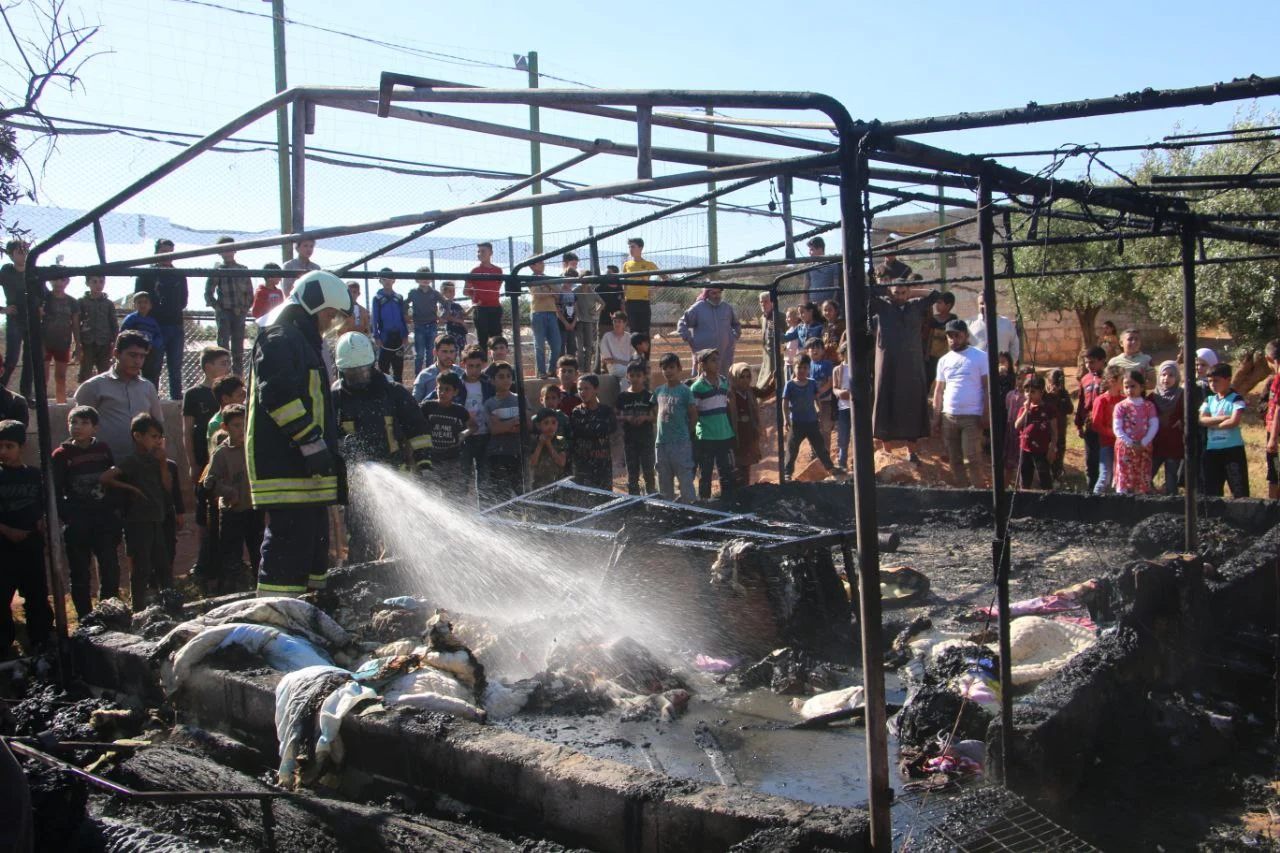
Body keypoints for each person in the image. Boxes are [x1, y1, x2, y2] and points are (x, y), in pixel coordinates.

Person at [248, 270, 350, 596]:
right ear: (312, 303)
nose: (329, 322)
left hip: (305, 469)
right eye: (329, 314)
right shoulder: (280, 337)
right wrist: (310, 441)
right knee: (288, 545)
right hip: (286, 467)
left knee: (313, 543)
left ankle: (308, 610)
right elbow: (277, 395)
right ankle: (277, 618)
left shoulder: (299, 341)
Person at [332, 331, 431, 561]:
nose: (358, 377)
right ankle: (362, 583)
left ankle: (400, 580)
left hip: (395, 472)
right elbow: (328, 436)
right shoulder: (335, 398)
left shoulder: (392, 391)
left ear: (372, 364)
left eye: (362, 371)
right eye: (352, 373)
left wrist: (424, 462)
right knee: (360, 538)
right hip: (356, 483)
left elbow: (417, 428)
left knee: (401, 538)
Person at [52, 406, 121, 618]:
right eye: (74, 423)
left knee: (110, 568)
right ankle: (85, 617)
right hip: (78, 522)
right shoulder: (61, 455)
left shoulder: (102, 450)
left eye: (84, 423)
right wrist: (69, 515)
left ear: (95, 428)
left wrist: (113, 512)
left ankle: (107, 613)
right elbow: (55, 490)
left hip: (103, 519)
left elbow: (112, 483)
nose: (78, 427)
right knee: (80, 572)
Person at [101, 413, 173, 607]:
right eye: (152, 436)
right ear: (137, 436)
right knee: (141, 566)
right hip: (138, 520)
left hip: (156, 517)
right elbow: (106, 477)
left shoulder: (157, 460)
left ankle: (170, 602)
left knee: (163, 564)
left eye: (159, 437)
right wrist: (131, 488)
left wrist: (163, 463)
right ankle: (138, 606)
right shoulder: (133, 460)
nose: (157, 441)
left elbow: (167, 487)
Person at [871, 281, 939, 462]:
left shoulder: (915, 306)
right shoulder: (883, 306)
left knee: (912, 403)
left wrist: (912, 292)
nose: (899, 296)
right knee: (886, 400)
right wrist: (886, 289)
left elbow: (935, 295)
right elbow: (866, 293)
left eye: (903, 293)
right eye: (897, 293)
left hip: (911, 363)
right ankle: (887, 451)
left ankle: (912, 451)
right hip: (888, 364)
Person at [0, 418, 51, 655]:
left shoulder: (34, 475)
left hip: (31, 545)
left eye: (9, 446)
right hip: (4, 548)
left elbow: (44, 506)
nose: (3, 452)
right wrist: (7, 530)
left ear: (22, 447)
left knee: (36, 595)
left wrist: (42, 522)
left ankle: (41, 639)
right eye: (0, 446)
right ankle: (5, 644)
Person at [73, 330, 164, 461]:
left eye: (142, 356)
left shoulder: (148, 387)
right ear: (116, 353)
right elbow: (78, 427)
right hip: (104, 463)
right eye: (132, 355)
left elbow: (158, 426)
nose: (138, 361)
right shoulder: (94, 387)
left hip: (142, 465)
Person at [182, 346, 231, 583]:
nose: (227, 367)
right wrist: (192, 463)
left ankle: (228, 559)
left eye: (228, 362)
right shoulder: (194, 395)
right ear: (207, 366)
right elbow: (187, 432)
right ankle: (204, 561)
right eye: (222, 363)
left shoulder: (230, 390)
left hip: (230, 465)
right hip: (205, 461)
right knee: (204, 513)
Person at [201, 404, 261, 593]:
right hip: (232, 512)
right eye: (236, 425)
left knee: (258, 552)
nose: (241, 429)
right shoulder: (221, 453)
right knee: (231, 557)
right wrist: (228, 492)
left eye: (244, 424)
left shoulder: (253, 447)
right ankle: (230, 592)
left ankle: (261, 589)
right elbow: (209, 482)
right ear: (225, 428)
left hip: (254, 509)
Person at [931, 319, 989, 489]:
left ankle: (980, 493)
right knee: (954, 459)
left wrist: (986, 413)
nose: (953, 340)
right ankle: (963, 492)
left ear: (966, 336)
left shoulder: (980, 356)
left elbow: (987, 388)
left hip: (972, 416)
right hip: (949, 416)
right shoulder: (944, 361)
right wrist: (936, 417)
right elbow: (939, 391)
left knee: (972, 457)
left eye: (957, 336)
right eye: (950, 336)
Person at [134, 237, 189, 399]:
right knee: (152, 366)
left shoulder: (179, 275)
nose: (167, 256)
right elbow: (138, 298)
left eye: (171, 252)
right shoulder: (146, 274)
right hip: (153, 326)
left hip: (175, 325)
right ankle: (150, 399)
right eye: (163, 252)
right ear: (156, 252)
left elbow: (184, 301)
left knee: (175, 367)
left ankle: (176, 400)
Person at [783, 354, 840, 480]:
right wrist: (786, 419)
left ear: (809, 369)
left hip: (811, 421)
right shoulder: (790, 385)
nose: (802, 370)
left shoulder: (812, 383)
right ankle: (787, 473)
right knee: (792, 448)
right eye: (799, 368)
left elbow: (816, 399)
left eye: (805, 368)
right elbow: (785, 403)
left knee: (820, 446)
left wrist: (819, 412)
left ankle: (830, 468)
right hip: (796, 422)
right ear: (794, 368)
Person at [691, 348, 737, 499]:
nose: (717, 363)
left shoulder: (724, 382)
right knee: (706, 472)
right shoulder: (697, 387)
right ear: (703, 365)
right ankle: (704, 502)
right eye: (712, 360)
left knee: (726, 471)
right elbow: (694, 412)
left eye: (718, 360)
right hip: (707, 436)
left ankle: (727, 501)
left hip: (724, 434)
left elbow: (729, 405)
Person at [204, 236, 253, 375]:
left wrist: (243, 309)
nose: (227, 253)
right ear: (219, 253)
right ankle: (222, 376)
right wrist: (218, 308)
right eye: (224, 250)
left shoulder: (243, 269)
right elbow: (208, 293)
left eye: (230, 249)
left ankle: (238, 377)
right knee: (223, 347)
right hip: (224, 312)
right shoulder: (218, 270)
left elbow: (250, 293)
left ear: (235, 250)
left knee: (238, 348)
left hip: (240, 313)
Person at [1199, 362, 1249, 498]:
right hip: (1212, 450)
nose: (1212, 384)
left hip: (1233, 450)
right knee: (1211, 490)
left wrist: (1213, 423)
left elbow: (1234, 421)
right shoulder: (1209, 400)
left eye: (1216, 380)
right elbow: (1202, 420)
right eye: (1210, 381)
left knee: (1239, 489)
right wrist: (1223, 418)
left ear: (1228, 380)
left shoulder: (1236, 398)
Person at [654, 352, 697, 502]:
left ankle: (690, 507)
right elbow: (655, 413)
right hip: (661, 443)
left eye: (671, 367)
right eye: (664, 368)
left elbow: (693, 415)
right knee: (664, 479)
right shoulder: (659, 391)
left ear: (679, 368)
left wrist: (686, 433)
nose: (668, 371)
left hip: (680, 442)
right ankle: (667, 511)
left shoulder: (685, 391)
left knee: (684, 476)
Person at [421, 372, 472, 491]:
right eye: (440, 389)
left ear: (455, 392)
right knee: (431, 492)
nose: (442, 392)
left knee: (451, 493)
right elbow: (416, 422)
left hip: (452, 459)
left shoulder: (459, 410)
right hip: (431, 457)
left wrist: (464, 434)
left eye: (447, 389)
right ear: (436, 389)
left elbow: (473, 426)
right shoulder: (427, 407)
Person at [1, 239, 38, 400]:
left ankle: (26, 396)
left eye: (26, 252)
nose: (24, 256)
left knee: (30, 360)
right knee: (11, 360)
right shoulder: (6, 273)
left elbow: (43, 293)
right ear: (11, 255)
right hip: (15, 321)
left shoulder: (33, 272)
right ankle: (1, 390)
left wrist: (41, 307)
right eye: (19, 252)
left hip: (31, 320)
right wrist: (3, 309)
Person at [1111, 369, 1159, 495]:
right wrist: (1131, 443)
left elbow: (1154, 425)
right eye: (1126, 387)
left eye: (1133, 386)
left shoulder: (1149, 406)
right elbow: (1117, 428)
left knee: (1142, 476)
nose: (1129, 390)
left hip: (1144, 448)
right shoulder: (1120, 406)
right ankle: (1122, 504)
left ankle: (1141, 506)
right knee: (1124, 476)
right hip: (1125, 448)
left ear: (1142, 387)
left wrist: (1143, 443)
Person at [483, 362, 524, 505]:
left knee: (521, 490)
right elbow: (494, 430)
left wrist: (503, 424)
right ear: (493, 380)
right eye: (501, 376)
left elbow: (527, 425)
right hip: (497, 454)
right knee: (501, 493)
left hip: (518, 452)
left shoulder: (520, 399)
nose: (506, 379)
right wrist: (514, 422)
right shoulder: (489, 403)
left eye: (508, 376)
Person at [570, 373, 615, 490]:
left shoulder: (606, 411)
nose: (582, 392)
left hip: (602, 465)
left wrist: (592, 430)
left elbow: (608, 430)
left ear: (596, 389)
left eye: (586, 388)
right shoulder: (577, 412)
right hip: (583, 466)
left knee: (605, 499)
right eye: (579, 389)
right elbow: (579, 433)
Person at [617, 360, 656, 495]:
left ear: (644, 377)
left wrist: (644, 418)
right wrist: (626, 418)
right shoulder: (622, 397)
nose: (635, 378)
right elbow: (615, 416)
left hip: (646, 439)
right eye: (632, 375)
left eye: (638, 375)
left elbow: (656, 418)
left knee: (648, 471)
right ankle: (634, 502)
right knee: (632, 473)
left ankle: (652, 498)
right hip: (630, 439)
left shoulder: (649, 396)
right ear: (627, 377)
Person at [677, 286, 741, 368]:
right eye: (714, 293)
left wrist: (733, 338)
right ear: (707, 294)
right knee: (703, 377)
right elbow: (682, 323)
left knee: (723, 377)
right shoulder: (698, 308)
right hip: (703, 355)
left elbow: (736, 324)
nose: (717, 295)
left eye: (719, 293)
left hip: (725, 354)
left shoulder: (726, 308)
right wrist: (690, 339)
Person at [1013, 374, 1057, 491]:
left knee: (1044, 477)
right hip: (1025, 448)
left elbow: (1054, 431)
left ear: (1041, 392)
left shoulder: (1048, 409)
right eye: (1026, 391)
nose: (1028, 394)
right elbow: (1017, 426)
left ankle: (1047, 500)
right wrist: (1025, 411)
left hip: (1042, 450)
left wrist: (1052, 447)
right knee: (1025, 477)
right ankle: (1024, 497)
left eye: (1032, 391)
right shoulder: (1024, 409)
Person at [41, 269, 79, 404]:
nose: (58, 283)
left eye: (62, 279)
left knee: (61, 376)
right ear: (50, 281)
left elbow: (75, 325)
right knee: (43, 376)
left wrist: (78, 345)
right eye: (55, 279)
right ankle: (42, 403)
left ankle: (61, 404)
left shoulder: (72, 302)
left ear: (67, 281)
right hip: (44, 342)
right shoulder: (45, 298)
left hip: (63, 343)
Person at [1075, 346, 1108, 492]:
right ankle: (1091, 492)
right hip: (1090, 426)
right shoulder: (1085, 379)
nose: (1089, 365)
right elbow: (1082, 403)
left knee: (1104, 459)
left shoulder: (1108, 379)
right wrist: (1078, 425)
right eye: (1087, 362)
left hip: (1105, 427)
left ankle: (1104, 491)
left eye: (1092, 362)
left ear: (1102, 361)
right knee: (1090, 460)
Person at [1150, 361, 1185, 496]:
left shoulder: (1182, 396)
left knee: (1171, 481)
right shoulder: (1153, 397)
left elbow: (1190, 415)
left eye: (1171, 375)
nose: (1166, 378)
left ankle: (1172, 510)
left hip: (1173, 446)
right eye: (1163, 374)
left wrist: (1183, 421)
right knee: (1146, 477)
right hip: (1155, 444)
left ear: (1177, 377)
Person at [1089, 365, 1126, 495]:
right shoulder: (1102, 400)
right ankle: (1095, 502)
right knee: (1105, 477)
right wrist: (1114, 434)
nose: (1124, 382)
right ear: (1112, 381)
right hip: (1107, 444)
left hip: (1122, 446)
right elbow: (1096, 424)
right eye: (1122, 379)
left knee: (1122, 477)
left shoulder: (1124, 400)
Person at [371, 270, 410, 383]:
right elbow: (375, 319)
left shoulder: (399, 298)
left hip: (398, 337)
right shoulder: (377, 298)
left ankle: (399, 395)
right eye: (384, 279)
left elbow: (402, 318)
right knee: (384, 369)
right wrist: (376, 336)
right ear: (380, 281)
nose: (387, 281)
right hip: (385, 338)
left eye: (390, 278)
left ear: (394, 280)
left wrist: (405, 334)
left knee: (398, 368)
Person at [77, 274, 118, 382]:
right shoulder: (82, 301)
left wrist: (115, 342)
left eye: (101, 281)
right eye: (94, 282)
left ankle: (104, 397)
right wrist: (78, 343)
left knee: (105, 372)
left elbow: (114, 324)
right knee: (85, 371)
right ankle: (83, 397)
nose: (98, 285)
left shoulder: (108, 303)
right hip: (87, 341)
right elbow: (76, 323)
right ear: (88, 283)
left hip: (104, 342)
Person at [465, 242, 504, 351]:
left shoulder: (498, 270)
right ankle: (482, 365)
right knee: (482, 339)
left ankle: (497, 364)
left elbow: (497, 287)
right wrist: (477, 297)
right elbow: (465, 291)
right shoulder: (474, 271)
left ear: (491, 253)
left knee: (497, 339)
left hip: (495, 308)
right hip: (480, 309)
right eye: (478, 251)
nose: (479, 254)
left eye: (483, 251)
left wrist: (488, 294)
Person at [121, 291, 165, 388]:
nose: (143, 305)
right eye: (139, 302)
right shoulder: (131, 319)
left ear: (150, 305)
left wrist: (152, 345)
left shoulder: (152, 321)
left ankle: (151, 393)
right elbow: (123, 334)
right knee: (133, 372)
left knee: (151, 374)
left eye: (146, 302)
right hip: (134, 352)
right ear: (134, 305)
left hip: (149, 352)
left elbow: (158, 336)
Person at [622, 237, 664, 337]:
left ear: (640, 248)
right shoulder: (626, 265)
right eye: (629, 247)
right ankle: (634, 352)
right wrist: (623, 300)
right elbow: (624, 284)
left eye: (633, 247)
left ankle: (645, 353)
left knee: (644, 331)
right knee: (633, 331)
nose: (630, 249)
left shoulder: (649, 264)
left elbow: (665, 278)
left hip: (643, 302)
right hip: (630, 302)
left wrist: (654, 288)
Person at [729, 362, 762, 486]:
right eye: (742, 377)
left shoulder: (750, 392)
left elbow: (764, 392)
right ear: (735, 377)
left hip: (748, 433)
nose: (745, 380)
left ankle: (745, 489)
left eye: (748, 377)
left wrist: (774, 381)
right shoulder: (730, 394)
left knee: (746, 465)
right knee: (736, 465)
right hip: (736, 433)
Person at [407, 267, 443, 376]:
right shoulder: (413, 293)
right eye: (423, 277)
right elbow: (404, 304)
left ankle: (430, 376)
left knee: (431, 353)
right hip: (419, 326)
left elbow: (445, 304)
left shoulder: (435, 293)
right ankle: (418, 377)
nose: (426, 280)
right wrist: (406, 316)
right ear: (417, 280)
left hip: (432, 325)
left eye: (428, 277)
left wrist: (442, 317)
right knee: (420, 354)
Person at [529, 259, 562, 378]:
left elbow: (559, 293)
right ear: (532, 266)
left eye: (543, 262)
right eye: (540, 262)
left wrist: (549, 286)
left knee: (557, 345)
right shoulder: (531, 278)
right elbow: (538, 294)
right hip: (538, 313)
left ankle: (552, 370)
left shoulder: (549, 277)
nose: (543, 265)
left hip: (552, 313)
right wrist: (551, 291)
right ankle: (541, 372)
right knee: (539, 344)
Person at [967, 292, 1020, 364]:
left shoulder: (1006, 323)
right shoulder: (969, 324)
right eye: (981, 303)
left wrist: (1008, 365)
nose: (984, 306)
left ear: (995, 303)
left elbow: (1014, 346)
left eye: (987, 303)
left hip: (1001, 370)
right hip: (977, 370)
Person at [412, 334, 464, 403]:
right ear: (435, 352)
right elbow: (414, 403)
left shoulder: (462, 374)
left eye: (451, 351)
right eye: (444, 351)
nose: (448, 356)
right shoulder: (424, 376)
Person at [924, 292, 958, 388]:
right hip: (933, 356)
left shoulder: (953, 319)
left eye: (939, 303)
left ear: (948, 306)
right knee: (931, 377)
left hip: (947, 355)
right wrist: (927, 355)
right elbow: (929, 337)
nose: (937, 306)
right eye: (936, 303)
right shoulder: (933, 320)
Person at [1045, 368, 1073, 483]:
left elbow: (1070, 409)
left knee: (1059, 453)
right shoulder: (1046, 396)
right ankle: (1048, 476)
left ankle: (1057, 474)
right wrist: (1051, 395)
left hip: (1060, 430)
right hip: (1048, 431)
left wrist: (1060, 396)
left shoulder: (1064, 394)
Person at [529, 407, 568, 488]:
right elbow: (532, 463)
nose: (550, 426)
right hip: (539, 484)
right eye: (546, 423)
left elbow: (561, 463)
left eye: (553, 423)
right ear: (538, 425)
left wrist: (548, 444)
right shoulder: (534, 441)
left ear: (557, 424)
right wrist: (540, 445)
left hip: (558, 483)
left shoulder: (560, 440)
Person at [573, 269, 603, 372]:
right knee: (579, 348)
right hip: (578, 322)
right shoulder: (576, 291)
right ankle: (580, 369)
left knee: (589, 347)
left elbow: (602, 304)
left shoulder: (592, 292)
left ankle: (587, 369)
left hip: (589, 322)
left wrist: (595, 311)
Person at [832, 343, 853, 470]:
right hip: (843, 408)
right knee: (843, 437)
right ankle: (842, 463)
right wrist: (840, 393)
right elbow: (835, 388)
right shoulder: (838, 369)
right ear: (842, 354)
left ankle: (857, 463)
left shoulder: (859, 368)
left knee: (857, 437)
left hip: (857, 408)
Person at [804, 236, 841, 305]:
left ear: (820, 249)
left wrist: (832, 303)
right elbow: (806, 288)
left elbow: (836, 286)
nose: (810, 253)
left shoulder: (833, 264)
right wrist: (806, 306)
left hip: (827, 306)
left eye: (812, 250)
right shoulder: (809, 266)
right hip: (813, 306)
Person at [1265, 340, 1280, 500]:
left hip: (1277, 432)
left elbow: (1279, 408)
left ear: (1269, 359)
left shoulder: (1278, 379)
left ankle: (1273, 510)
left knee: (1275, 472)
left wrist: (1273, 438)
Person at [600, 311, 634, 378]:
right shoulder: (607, 336)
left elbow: (633, 358)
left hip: (628, 367)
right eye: (615, 321)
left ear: (624, 323)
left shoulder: (629, 337)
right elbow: (608, 360)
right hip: (614, 368)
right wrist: (623, 363)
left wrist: (619, 361)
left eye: (619, 321)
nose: (617, 324)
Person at [756, 291, 777, 396]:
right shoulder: (763, 318)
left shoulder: (779, 316)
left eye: (766, 301)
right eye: (761, 302)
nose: (763, 304)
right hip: (766, 360)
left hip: (776, 360)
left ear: (772, 302)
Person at [439, 281, 468, 351]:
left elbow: (464, 315)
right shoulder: (444, 304)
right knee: (453, 350)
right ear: (443, 293)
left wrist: (473, 307)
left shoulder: (457, 305)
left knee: (462, 351)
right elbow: (447, 317)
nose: (452, 293)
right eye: (449, 291)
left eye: (453, 291)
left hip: (461, 332)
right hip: (452, 331)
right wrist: (461, 322)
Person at [557, 272, 578, 359]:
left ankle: (572, 366)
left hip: (572, 324)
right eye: (568, 280)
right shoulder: (559, 293)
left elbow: (576, 309)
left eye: (572, 280)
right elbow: (557, 310)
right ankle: (560, 368)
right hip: (561, 324)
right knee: (561, 347)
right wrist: (565, 323)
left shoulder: (574, 293)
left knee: (572, 347)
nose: (570, 282)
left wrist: (573, 322)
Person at [820, 300, 844, 366]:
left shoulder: (841, 325)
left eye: (830, 310)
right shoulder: (825, 327)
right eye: (825, 310)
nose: (827, 312)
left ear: (836, 311)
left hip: (838, 361)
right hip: (827, 361)